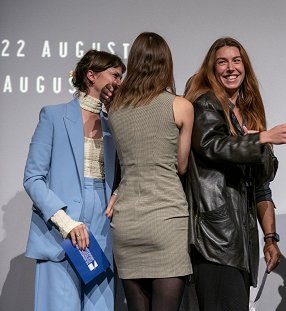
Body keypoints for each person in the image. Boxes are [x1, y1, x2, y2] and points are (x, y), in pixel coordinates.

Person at [184, 37, 286, 311]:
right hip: (215, 239)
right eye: (222, 62)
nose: (230, 68)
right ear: (212, 69)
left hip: (238, 244)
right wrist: (261, 138)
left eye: (236, 60)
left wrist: (270, 239)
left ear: (245, 66)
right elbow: (211, 145)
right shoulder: (206, 102)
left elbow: (262, 183)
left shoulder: (247, 114)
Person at [23, 50, 125, 310]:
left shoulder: (115, 124)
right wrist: (65, 222)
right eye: (114, 75)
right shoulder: (54, 116)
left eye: (121, 77)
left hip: (102, 228)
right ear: (91, 75)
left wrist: (119, 194)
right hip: (60, 230)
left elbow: (128, 173)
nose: (119, 82)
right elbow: (33, 177)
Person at [106, 32, 194, 311]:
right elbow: (181, 166)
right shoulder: (181, 106)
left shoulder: (115, 107)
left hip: (127, 221)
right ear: (166, 63)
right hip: (166, 218)